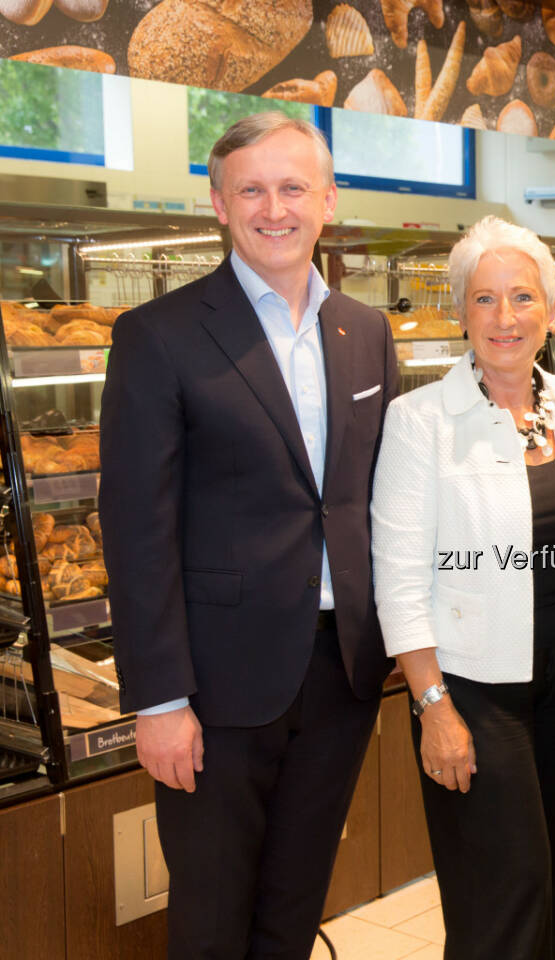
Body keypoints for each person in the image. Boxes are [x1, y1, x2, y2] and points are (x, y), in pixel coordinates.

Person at [99, 112, 398, 958]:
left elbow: (371, 501)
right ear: (220, 205)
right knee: (213, 918)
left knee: (294, 907)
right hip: (215, 688)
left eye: (294, 187)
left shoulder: (366, 332)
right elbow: (136, 528)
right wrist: (158, 700)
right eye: (253, 189)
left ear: (328, 201)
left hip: (339, 673)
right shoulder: (159, 334)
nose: (276, 208)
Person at [370, 216, 555, 960]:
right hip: (474, 691)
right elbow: (399, 577)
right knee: (502, 901)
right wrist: (432, 706)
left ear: (552, 309)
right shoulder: (419, 422)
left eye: (522, 297)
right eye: (484, 300)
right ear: (460, 311)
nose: (504, 319)